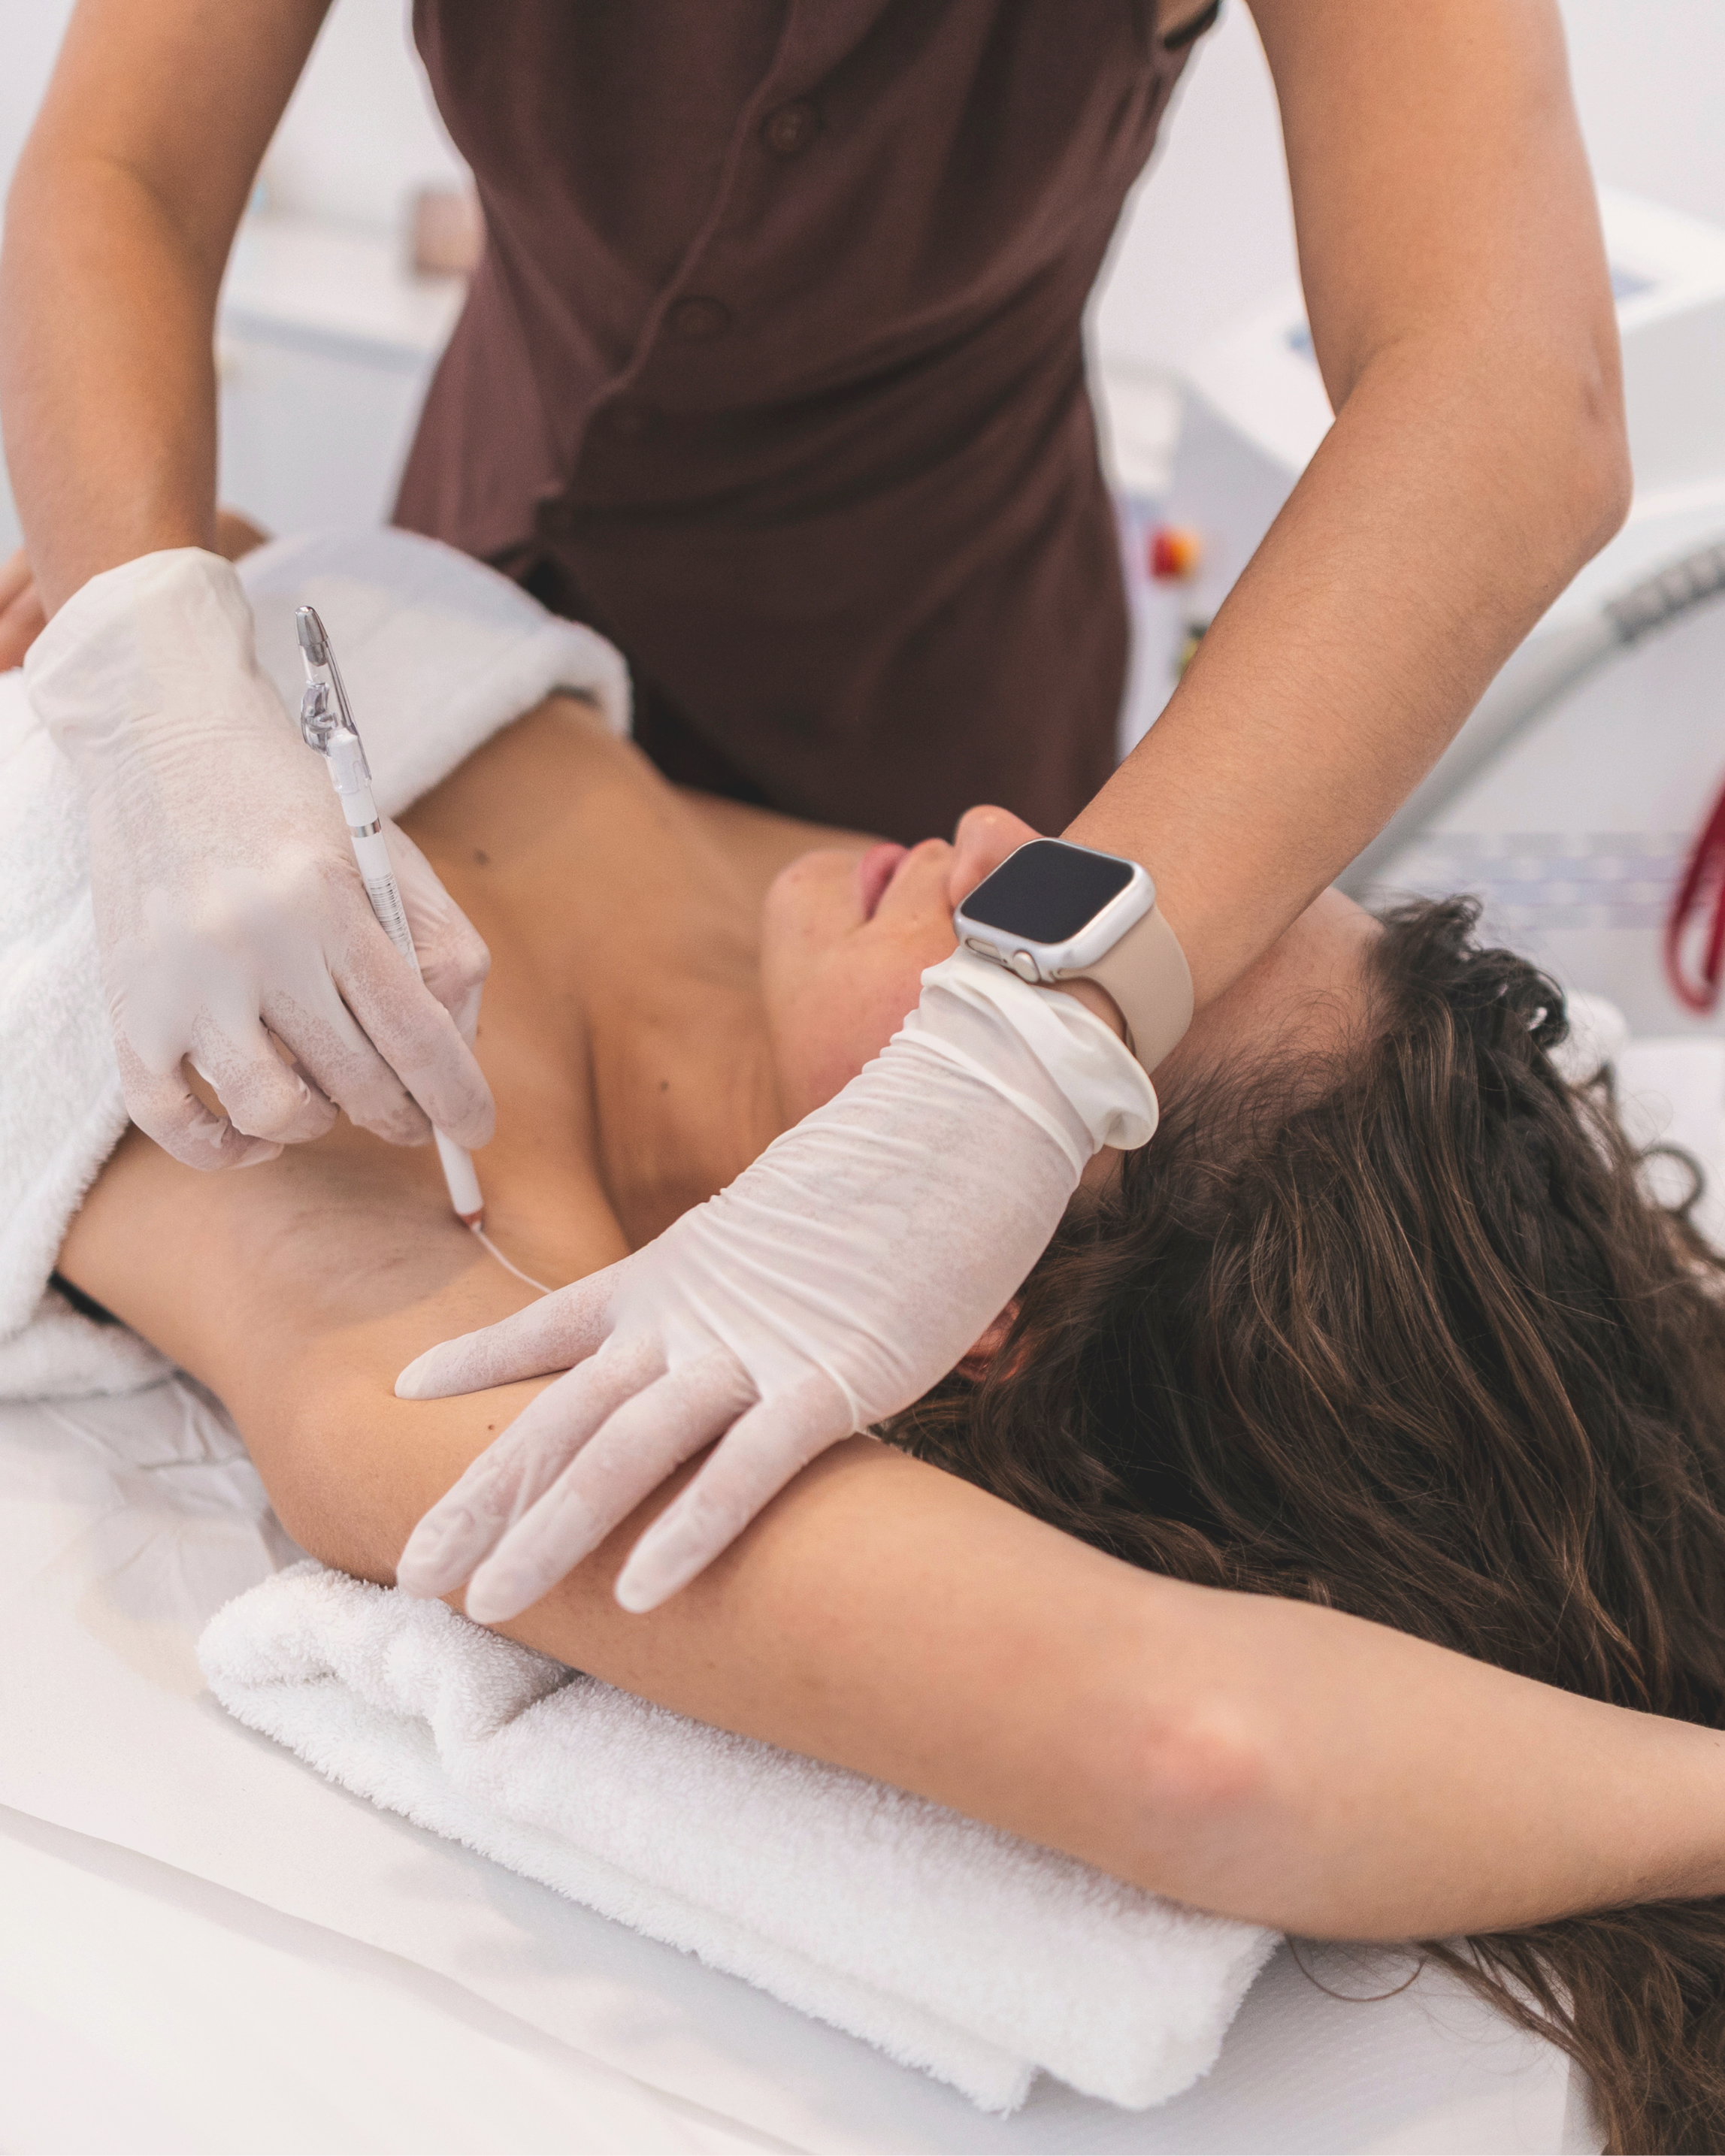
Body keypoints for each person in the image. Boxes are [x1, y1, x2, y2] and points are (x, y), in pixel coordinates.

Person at [1, 0, 1635, 1605]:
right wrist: (145, 644)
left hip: (916, 669)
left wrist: (1029, 1034)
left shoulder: (489, 1211)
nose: (1025, 855)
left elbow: (1510, 382)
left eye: (1118, 971)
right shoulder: (480, 761)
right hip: (467, 576)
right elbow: (118, 166)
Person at [54, 663, 1725, 2156]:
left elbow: (1209, 1746)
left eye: (1065, 959)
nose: (998, 827)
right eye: (1118, 874)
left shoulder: (424, 1287)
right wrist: (142, 615)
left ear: (983, 1305)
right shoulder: (827, 927)